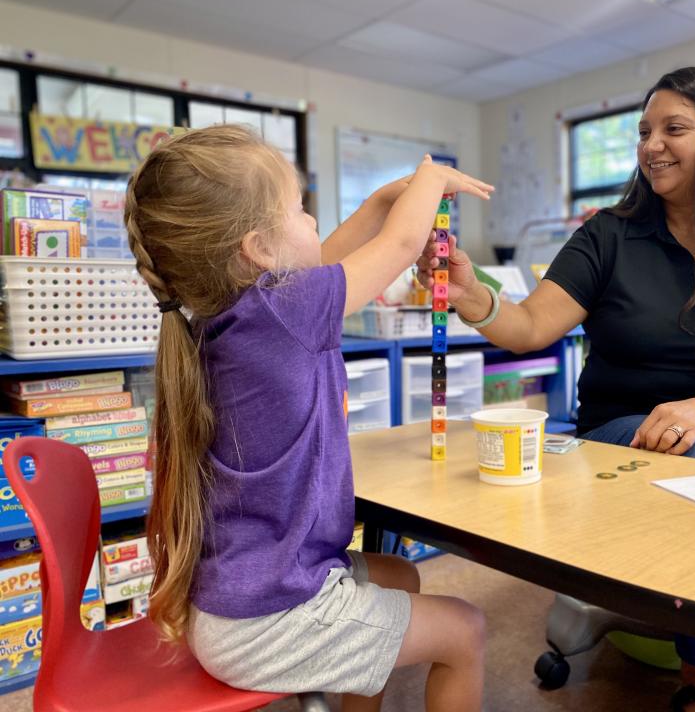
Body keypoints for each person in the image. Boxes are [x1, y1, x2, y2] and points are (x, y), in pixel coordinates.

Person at [416, 67, 695, 712]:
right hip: (623, 429)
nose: (651, 145)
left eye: (674, 129)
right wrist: (473, 295)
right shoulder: (609, 233)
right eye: (644, 131)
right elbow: (527, 327)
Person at [126, 124, 494, 712]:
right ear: (258, 249)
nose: (314, 221)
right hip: (267, 619)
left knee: (399, 576)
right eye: (299, 209)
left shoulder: (236, 317)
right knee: (466, 629)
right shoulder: (279, 312)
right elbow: (398, 248)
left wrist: (379, 203)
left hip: (240, 599)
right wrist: (435, 178)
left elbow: (327, 256)